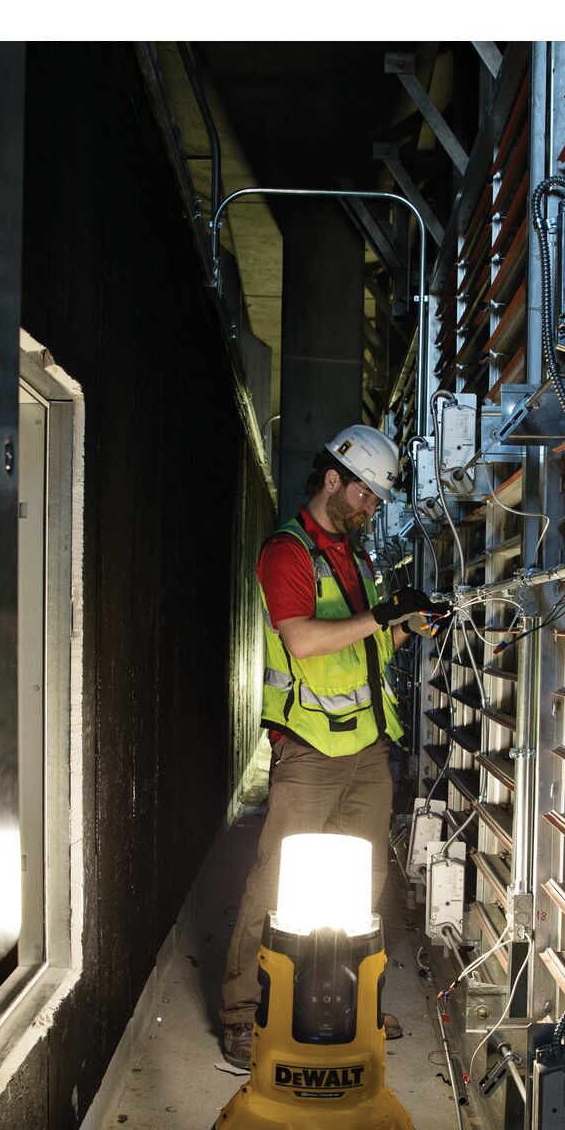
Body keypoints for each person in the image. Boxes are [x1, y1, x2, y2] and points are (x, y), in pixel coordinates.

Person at [218, 423, 443, 1069]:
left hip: (368, 750)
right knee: (275, 881)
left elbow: (363, 647)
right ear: (334, 480)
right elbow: (304, 641)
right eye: (367, 495)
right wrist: (382, 614)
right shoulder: (287, 553)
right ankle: (241, 1016)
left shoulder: (356, 557)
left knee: (361, 885)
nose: (372, 508)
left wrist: (407, 624)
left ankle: (348, 1003)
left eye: (376, 499)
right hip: (309, 753)